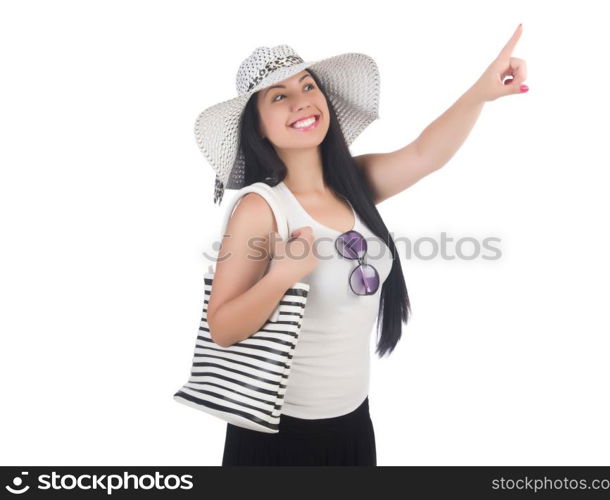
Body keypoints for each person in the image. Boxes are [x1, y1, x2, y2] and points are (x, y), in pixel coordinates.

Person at [193, 29, 527, 466]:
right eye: (278, 97)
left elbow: (426, 154)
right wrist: (281, 276)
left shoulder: (353, 183)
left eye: (308, 86)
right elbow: (222, 328)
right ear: (258, 125)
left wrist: (481, 93)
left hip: (352, 422)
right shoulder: (261, 208)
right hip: (278, 435)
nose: (301, 101)